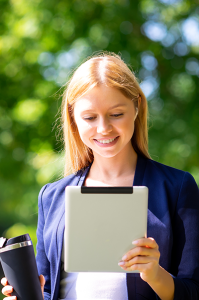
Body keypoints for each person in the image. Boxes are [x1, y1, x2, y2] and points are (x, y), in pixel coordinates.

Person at [1, 52, 199, 300]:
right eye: (90, 117)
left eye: (116, 114)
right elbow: (49, 289)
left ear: (137, 106)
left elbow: (193, 290)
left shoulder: (178, 188)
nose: (104, 128)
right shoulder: (52, 196)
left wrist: (155, 274)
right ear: (73, 116)